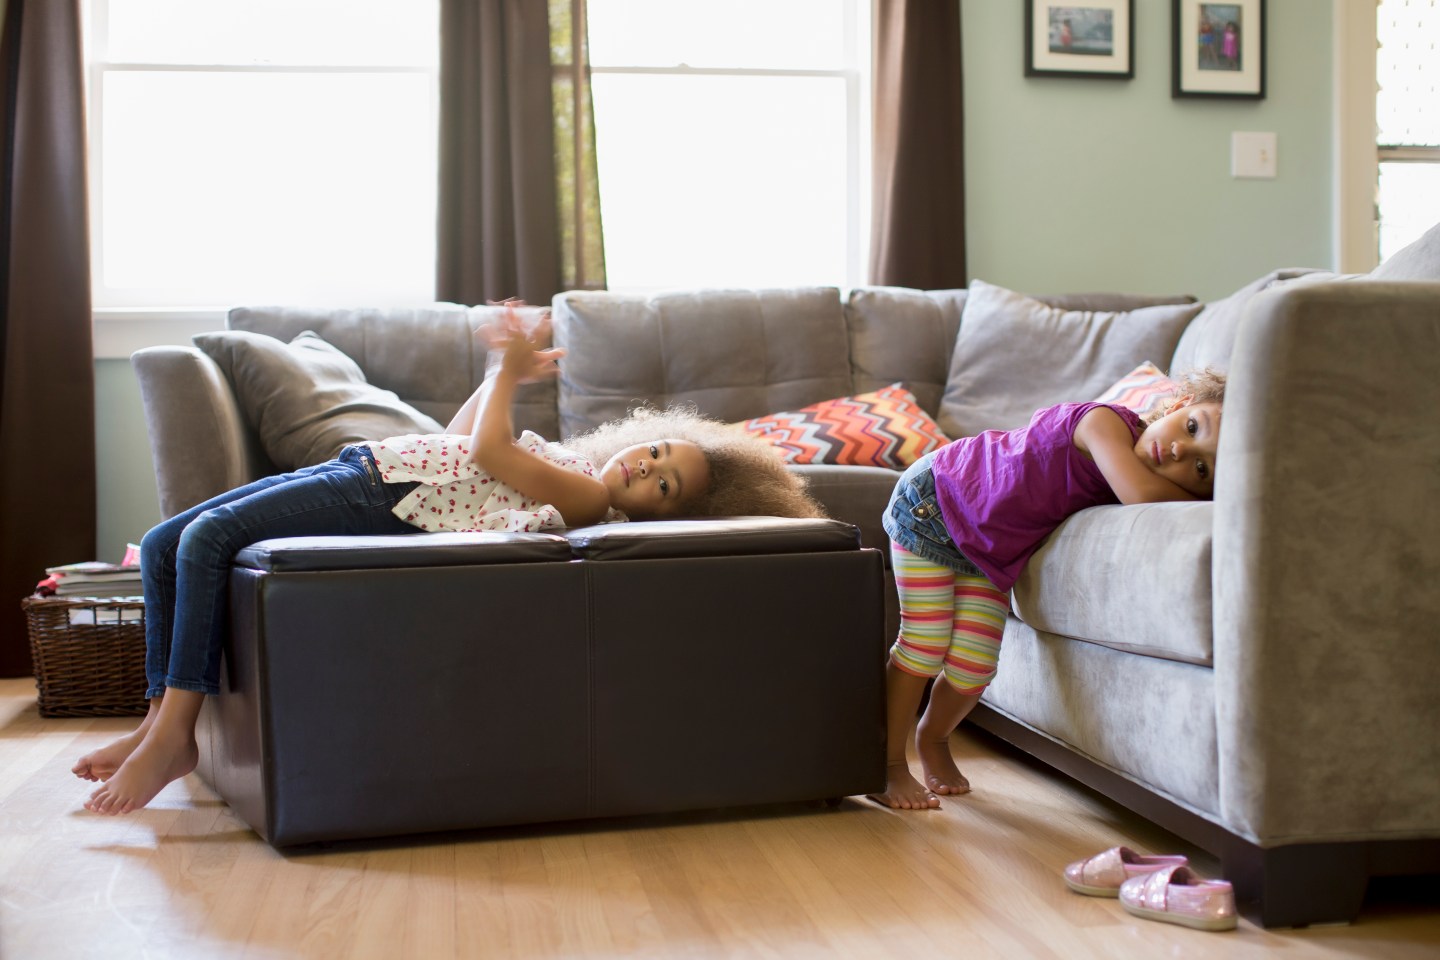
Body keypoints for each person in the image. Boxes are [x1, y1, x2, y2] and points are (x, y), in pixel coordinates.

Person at [75, 304, 825, 815]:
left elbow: (488, 450)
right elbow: (464, 430)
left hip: (385, 499)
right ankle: (152, 725)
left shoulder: (591, 504)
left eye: (666, 487)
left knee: (206, 543)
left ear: (666, 514)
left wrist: (507, 376)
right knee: (172, 540)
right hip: (370, 466)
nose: (645, 469)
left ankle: (177, 736)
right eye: (657, 451)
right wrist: (500, 373)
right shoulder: (571, 460)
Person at [870, 369, 1226, 810]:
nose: (1179, 449)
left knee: (974, 667)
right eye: (1192, 427)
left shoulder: (1131, 465)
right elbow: (1140, 493)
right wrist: (1223, 496)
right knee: (924, 643)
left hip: (986, 552)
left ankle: (934, 738)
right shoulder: (1103, 424)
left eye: (1200, 467)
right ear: (1176, 404)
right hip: (935, 501)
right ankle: (885, 766)